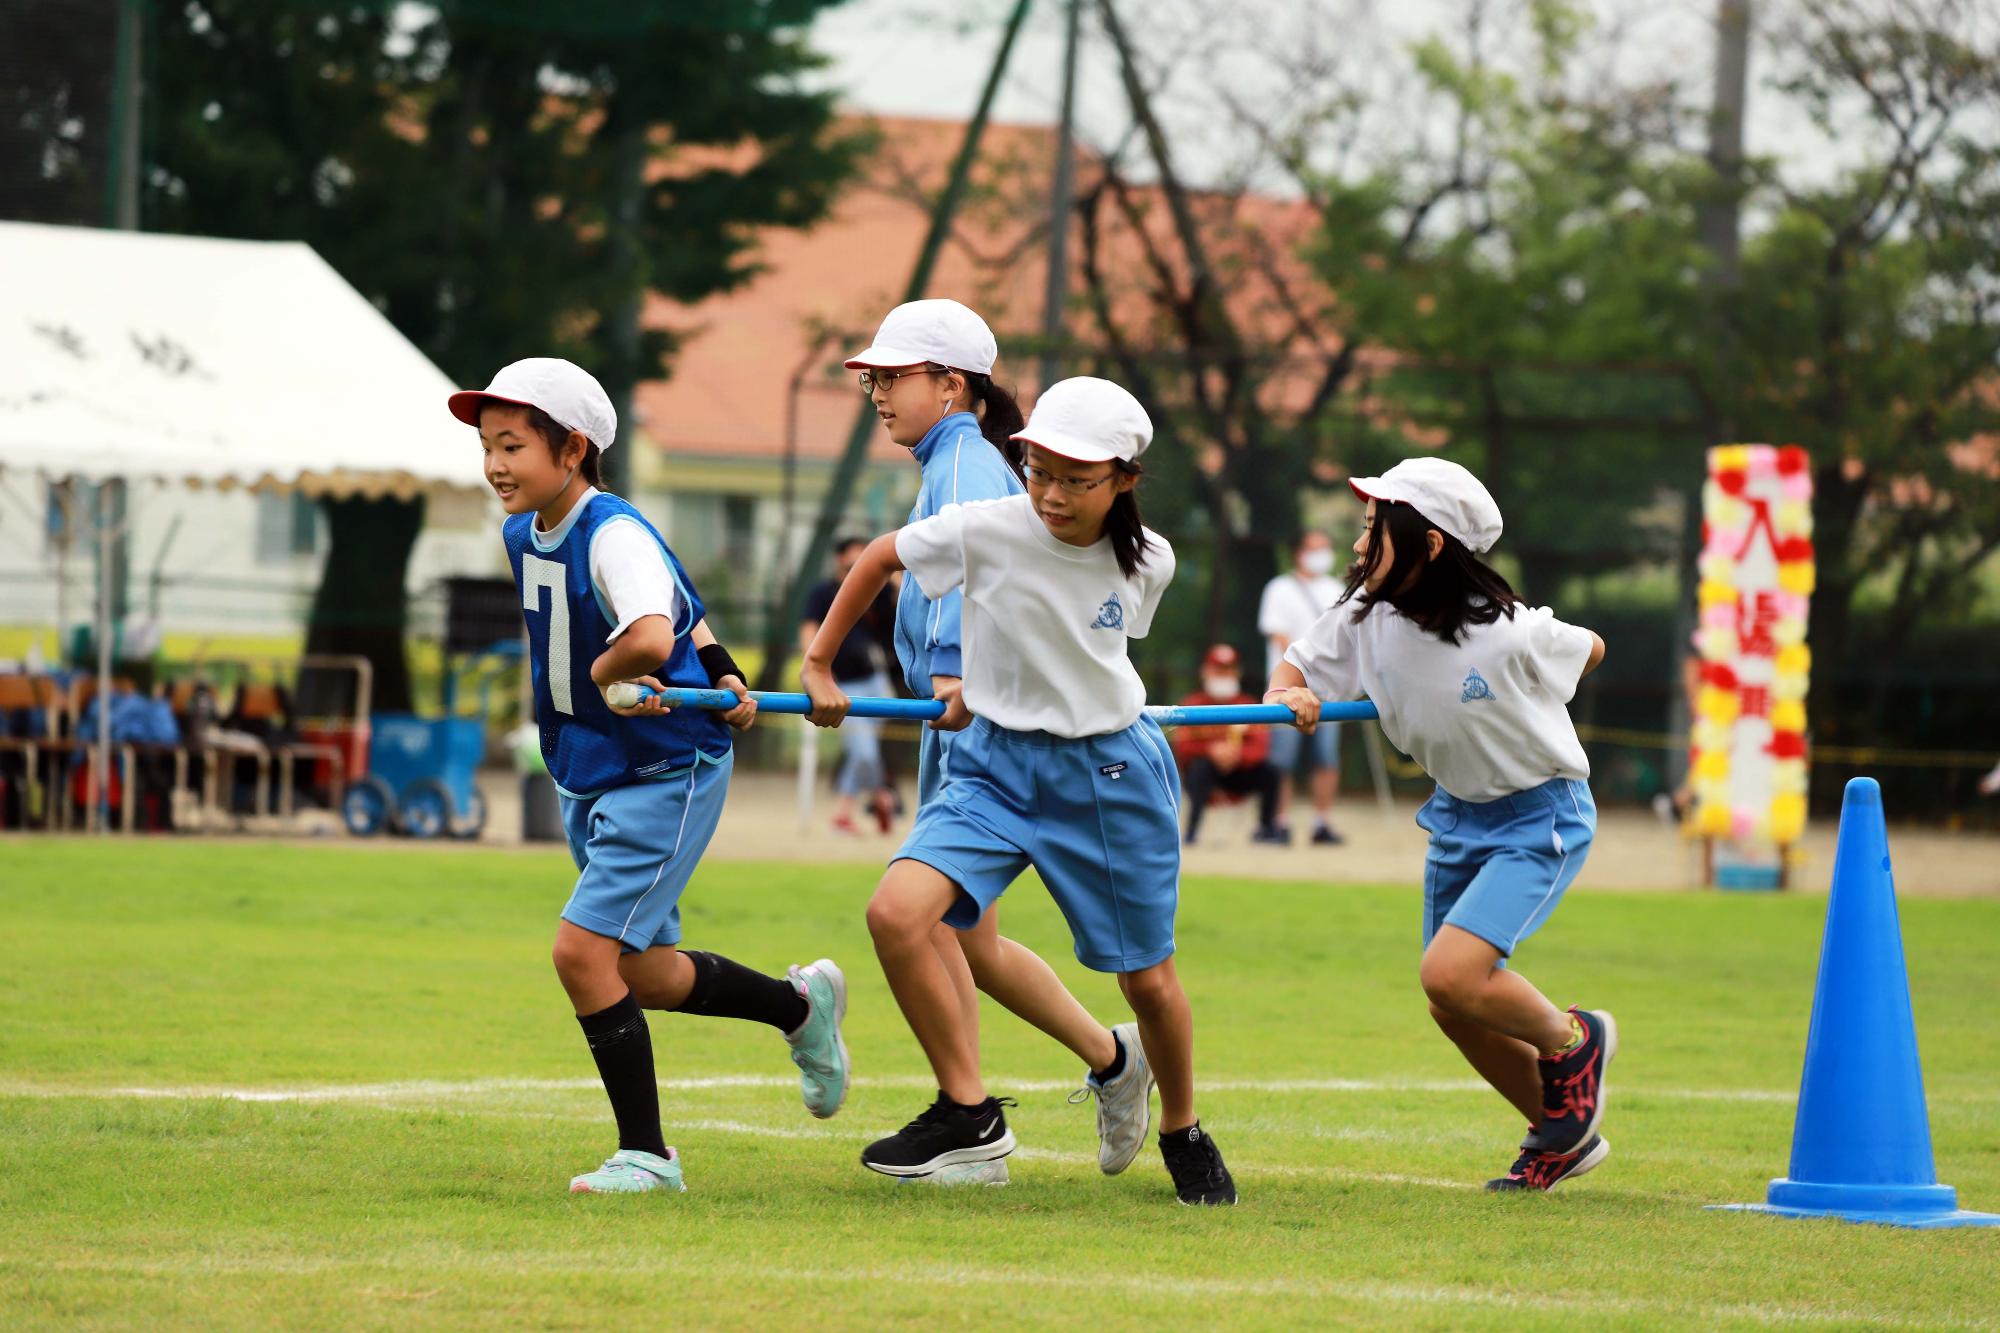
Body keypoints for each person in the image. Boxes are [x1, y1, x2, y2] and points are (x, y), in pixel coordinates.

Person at [803, 376, 1237, 1205]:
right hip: (993, 767)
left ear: (1125, 480)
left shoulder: (1148, 559)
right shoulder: (989, 525)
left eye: (1077, 479)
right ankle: (967, 1114)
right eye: (1039, 471)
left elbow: (1078, 642)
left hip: (1107, 775)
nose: (1052, 494)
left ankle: (1182, 1126)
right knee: (896, 912)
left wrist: (1010, 674)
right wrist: (821, 662)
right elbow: (878, 558)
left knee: (1147, 981)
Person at [453, 357, 850, 1195]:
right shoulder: (523, 530)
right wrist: (724, 667)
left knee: (581, 953)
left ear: (573, 450)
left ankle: (648, 1155)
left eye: (514, 445)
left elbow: (647, 628)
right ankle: (798, 1006)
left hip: (663, 767)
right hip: (589, 768)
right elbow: (690, 611)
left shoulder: (614, 530)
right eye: (488, 444)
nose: (494, 463)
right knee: (639, 972)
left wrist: (618, 670)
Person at [840, 301, 1148, 1184]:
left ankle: (974, 1114)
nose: (876, 392)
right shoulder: (954, 459)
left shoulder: (971, 466)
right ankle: (1102, 1064)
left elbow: (980, 580)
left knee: (926, 923)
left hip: (976, 731)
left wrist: (949, 671)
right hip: (969, 732)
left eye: (892, 377)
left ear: (951, 385)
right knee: (963, 941)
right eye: (875, 378)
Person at [1266, 457, 1615, 1193]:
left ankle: (1575, 1037)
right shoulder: (1363, 616)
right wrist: (1287, 694)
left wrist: (1536, 688)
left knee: (1450, 974)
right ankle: (1562, 1134)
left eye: (1374, 530)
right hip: (1457, 812)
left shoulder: (1512, 631)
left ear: (1429, 547)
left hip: (1537, 815)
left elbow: (1589, 648)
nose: (1359, 547)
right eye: (1361, 528)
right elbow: (1297, 668)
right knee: (1451, 1002)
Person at [800, 537, 900, 835]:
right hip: (843, 683)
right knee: (865, 752)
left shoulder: (879, 591)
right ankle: (881, 796)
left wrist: (887, 565)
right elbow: (808, 629)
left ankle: (845, 813)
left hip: (878, 681)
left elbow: (901, 590)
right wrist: (813, 671)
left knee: (862, 751)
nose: (856, 565)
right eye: (851, 561)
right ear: (839, 560)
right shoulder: (823, 592)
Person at [1259, 531, 1346, 845]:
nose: (1322, 554)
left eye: (1326, 547)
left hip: (1328, 690)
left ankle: (1322, 823)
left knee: (1326, 758)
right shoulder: (1279, 589)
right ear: (1298, 552)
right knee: (1281, 760)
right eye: (1314, 548)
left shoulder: (1338, 589)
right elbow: (1279, 636)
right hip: (1287, 690)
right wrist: (1306, 669)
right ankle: (1278, 822)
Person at [1173, 644, 1281, 845]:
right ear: (1206, 672)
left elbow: (1260, 747)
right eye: (1218, 670)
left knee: (1271, 771)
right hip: (1203, 774)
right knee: (1200, 768)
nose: (1224, 676)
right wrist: (1211, 751)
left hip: (1239, 774)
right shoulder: (1192, 704)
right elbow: (1182, 747)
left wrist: (1236, 754)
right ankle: (1191, 832)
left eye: (1228, 670)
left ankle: (1268, 829)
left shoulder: (1248, 705)